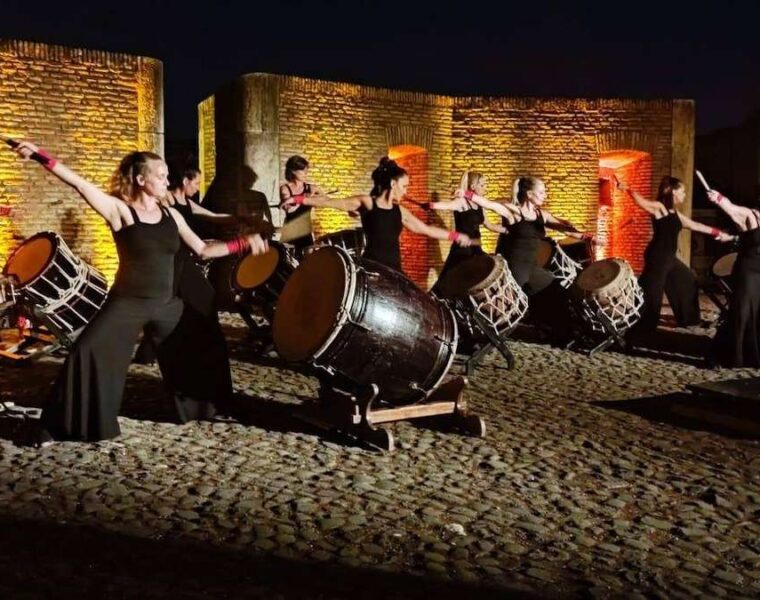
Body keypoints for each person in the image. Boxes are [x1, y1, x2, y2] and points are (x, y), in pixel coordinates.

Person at [10, 140, 268, 442]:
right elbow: (79, 184)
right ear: (141, 179)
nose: (167, 181)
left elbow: (202, 249)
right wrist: (41, 155)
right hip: (128, 303)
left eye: (167, 175)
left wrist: (242, 244)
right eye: (161, 175)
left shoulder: (171, 215)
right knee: (86, 350)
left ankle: (209, 407)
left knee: (205, 340)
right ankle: (61, 426)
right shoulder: (120, 210)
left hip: (166, 304)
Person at [282, 157, 472, 274]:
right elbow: (329, 202)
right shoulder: (367, 203)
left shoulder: (399, 211)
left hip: (394, 270)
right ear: (393, 184)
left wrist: (455, 236)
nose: (406, 191)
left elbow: (425, 229)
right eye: (404, 186)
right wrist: (297, 199)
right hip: (371, 268)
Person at [617, 176, 733, 333]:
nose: (685, 194)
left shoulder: (675, 214)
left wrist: (718, 233)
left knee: (687, 280)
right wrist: (628, 189)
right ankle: (643, 327)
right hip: (657, 257)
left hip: (670, 259)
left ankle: (689, 319)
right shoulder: (660, 208)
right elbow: (642, 202)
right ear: (673, 191)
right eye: (682, 191)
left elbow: (695, 225)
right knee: (652, 293)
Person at [495, 176, 592, 344]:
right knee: (516, 303)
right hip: (515, 268)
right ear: (529, 194)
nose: (545, 195)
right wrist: (469, 195)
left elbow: (564, 229)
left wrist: (586, 237)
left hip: (531, 268)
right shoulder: (514, 213)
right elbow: (491, 205)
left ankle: (562, 334)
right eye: (541, 192)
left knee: (556, 290)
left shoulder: (541, 214)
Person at [427, 171, 519, 293]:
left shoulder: (479, 205)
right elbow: (447, 205)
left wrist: (508, 230)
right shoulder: (462, 202)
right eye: (482, 185)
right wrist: (432, 205)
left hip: (476, 248)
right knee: (449, 284)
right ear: (473, 187)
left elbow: (490, 225)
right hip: (462, 250)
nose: (485, 188)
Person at [705, 187, 760, 366]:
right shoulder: (750, 215)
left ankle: (753, 354)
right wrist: (719, 198)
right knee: (741, 311)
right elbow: (731, 208)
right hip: (748, 271)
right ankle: (728, 354)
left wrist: (731, 238)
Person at [279, 155, 326, 257]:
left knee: (308, 261)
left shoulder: (311, 188)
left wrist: (315, 198)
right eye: (303, 171)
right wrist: (304, 198)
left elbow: (325, 200)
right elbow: (289, 210)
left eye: (306, 171)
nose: (306, 174)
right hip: (290, 231)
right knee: (289, 261)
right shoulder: (285, 188)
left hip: (306, 231)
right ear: (293, 171)